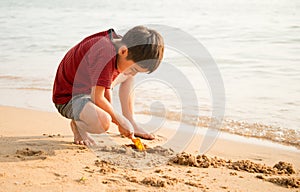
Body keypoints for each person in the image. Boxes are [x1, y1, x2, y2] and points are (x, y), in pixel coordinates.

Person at [52, 26, 164, 146]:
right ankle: (78, 125)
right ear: (123, 51)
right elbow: (98, 97)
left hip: (89, 88)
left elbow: (106, 86)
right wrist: (119, 121)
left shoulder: (121, 45)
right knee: (103, 122)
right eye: (134, 68)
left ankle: (130, 120)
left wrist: (122, 120)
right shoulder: (105, 53)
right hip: (68, 97)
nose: (133, 73)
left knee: (128, 75)